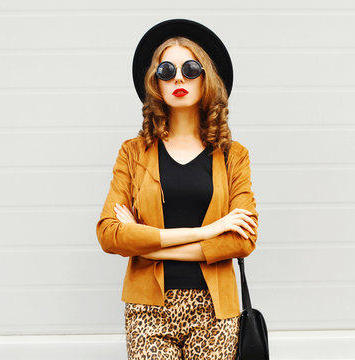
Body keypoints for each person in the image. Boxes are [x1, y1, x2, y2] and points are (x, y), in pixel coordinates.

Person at [96, 18, 259, 359]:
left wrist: (148, 246)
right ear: (155, 83)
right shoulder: (133, 153)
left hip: (215, 311)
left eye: (190, 68)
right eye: (166, 70)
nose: (178, 77)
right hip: (147, 310)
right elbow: (110, 235)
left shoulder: (233, 156)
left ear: (207, 78)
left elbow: (243, 240)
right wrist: (211, 230)